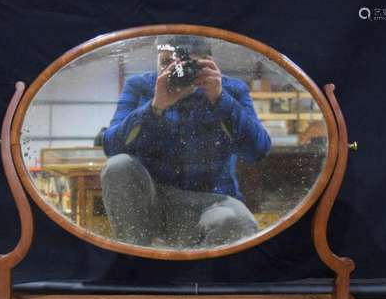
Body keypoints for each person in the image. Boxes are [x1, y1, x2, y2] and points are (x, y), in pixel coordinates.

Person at [101, 35, 271, 247]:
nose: (175, 71)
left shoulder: (231, 89)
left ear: (208, 63)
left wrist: (220, 99)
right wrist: (155, 108)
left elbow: (258, 151)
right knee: (119, 166)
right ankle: (133, 260)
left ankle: (205, 277)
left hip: (212, 202)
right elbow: (111, 148)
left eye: (187, 64)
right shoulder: (141, 86)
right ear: (157, 62)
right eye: (166, 63)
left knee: (235, 221)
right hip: (154, 200)